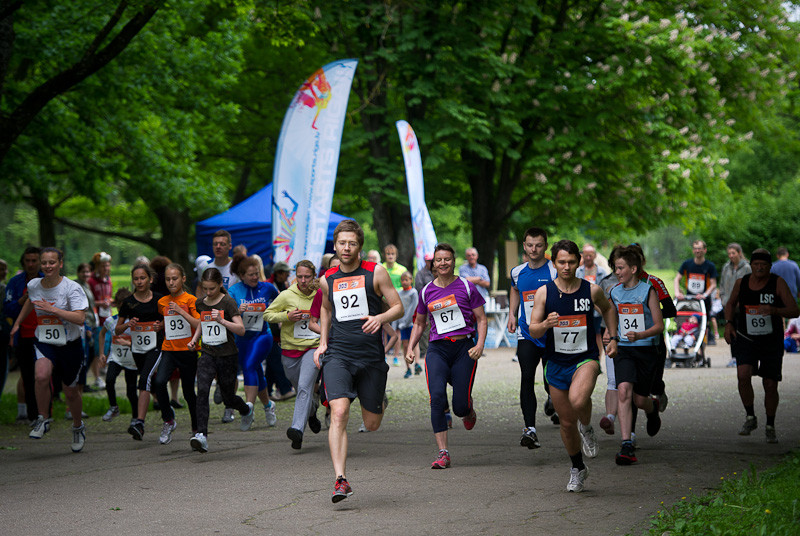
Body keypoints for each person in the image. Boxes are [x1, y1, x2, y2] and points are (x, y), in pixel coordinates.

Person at [313, 220, 403, 503]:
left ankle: (378, 398)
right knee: (338, 413)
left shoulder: (375, 272)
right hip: (338, 354)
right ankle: (340, 479)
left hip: (370, 357)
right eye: (342, 243)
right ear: (335, 246)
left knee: (372, 423)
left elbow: (398, 306)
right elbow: (326, 311)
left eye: (352, 243)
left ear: (360, 246)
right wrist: (323, 343)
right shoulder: (327, 278)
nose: (346, 248)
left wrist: (380, 317)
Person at [529, 240, 618, 493]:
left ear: (579, 261)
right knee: (566, 423)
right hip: (556, 362)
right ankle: (578, 468)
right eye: (561, 262)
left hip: (585, 358)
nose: (566, 267)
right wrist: (545, 324)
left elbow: (608, 309)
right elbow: (533, 328)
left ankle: (587, 427)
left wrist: (612, 336)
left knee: (579, 401)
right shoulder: (544, 293)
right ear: (553, 263)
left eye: (571, 262)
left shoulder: (591, 290)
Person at [407, 242, 487, 469]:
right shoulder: (426, 291)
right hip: (437, 349)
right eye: (439, 260)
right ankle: (443, 452)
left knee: (459, 406)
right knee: (437, 398)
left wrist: (480, 344)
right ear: (434, 263)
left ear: (454, 262)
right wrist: (410, 347)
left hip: (464, 349)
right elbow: (419, 323)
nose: (443, 263)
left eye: (447, 259)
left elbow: (481, 319)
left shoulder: (466, 286)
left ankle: (468, 410)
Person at [9, 247, 88, 452]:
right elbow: (30, 302)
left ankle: (78, 427)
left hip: (70, 344)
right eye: (44, 263)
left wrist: (53, 310)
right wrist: (17, 323)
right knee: (41, 376)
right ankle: (42, 418)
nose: (47, 266)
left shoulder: (72, 288)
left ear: (60, 264)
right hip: (44, 340)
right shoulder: (34, 284)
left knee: (71, 392)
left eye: (52, 262)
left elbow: (80, 318)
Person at [724, 248, 798, 444]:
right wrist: (729, 324)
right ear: (752, 265)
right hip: (746, 338)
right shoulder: (743, 283)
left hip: (770, 340)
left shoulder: (777, 283)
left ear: (769, 267)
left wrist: (774, 310)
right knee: (742, 375)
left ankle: (770, 424)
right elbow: (730, 304)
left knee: (770, 384)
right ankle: (750, 417)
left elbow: (794, 310)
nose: (759, 268)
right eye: (756, 264)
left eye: (763, 265)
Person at [609, 246, 664, 465]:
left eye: (621, 267)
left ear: (633, 269)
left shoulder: (648, 291)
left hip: (647, 349)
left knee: (640, 399)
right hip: (624, 349)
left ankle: (652, 409)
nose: (617, 271)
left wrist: (640, 334)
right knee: (623, 391)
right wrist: (610, 336)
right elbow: (612, 320)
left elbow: (660, 325)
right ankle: (626, 445)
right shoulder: (614, 292)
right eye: (615, 267)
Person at [188, 267, 250, 452]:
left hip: (228, 355)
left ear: (220, 285)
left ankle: (245, 409)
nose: (208, 292)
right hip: (207, 353)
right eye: (205, 288)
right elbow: (202, 323)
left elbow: (241, 329)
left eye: (212, 289)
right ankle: (202, 435)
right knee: (202, 391)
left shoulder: (228, 303)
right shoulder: (201, 304)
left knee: (228, 398)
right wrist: (194, 340)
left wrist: (222, 321)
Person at [265, 260, 323, 449]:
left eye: (307, 276)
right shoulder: (286, 295)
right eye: (300, 277)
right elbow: (267, 314)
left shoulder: (321, 294)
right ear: (295, 276)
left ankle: (297, 429)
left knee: (305, 387)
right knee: (301, 390)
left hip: (312, 348)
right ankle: (312, 411)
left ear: (313, 276)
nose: (304, 280)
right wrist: (286, 317)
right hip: (289, 351)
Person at [508, 227, 557, 449]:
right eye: (529, 245)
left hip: (552, 335)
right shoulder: (517, 272)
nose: (534, 249)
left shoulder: (555, 271)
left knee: (551, 381)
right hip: (526, 334)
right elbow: (515, 289)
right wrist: (512, 313)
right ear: (524, 246)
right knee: (527, 377)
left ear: (545, 246)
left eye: (538, 245)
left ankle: (552, 399)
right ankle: (530, 429)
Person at [115, 264, 169, 441]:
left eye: (142, 278)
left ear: (150, 279)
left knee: (144, 378)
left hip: (156, 345)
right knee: (150, 383)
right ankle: (168, 411)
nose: (139, 282)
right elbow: (117, 329)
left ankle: (139, 422)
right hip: (138, 348)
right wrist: (127, 325)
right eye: (136, 279)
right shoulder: (129, 302)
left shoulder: (160, 300)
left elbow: (169, 321)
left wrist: (161, 325)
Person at [228, 257, 279, 428]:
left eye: (256, 274)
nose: (255, 277)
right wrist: (237, 311)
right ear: (242, 276)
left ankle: (247, 409)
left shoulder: (268, 288)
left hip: (262, 336)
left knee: (249, 366)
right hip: (242, 339)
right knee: (256, 371)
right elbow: (227, 314)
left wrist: (273, 313)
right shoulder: (234, 291)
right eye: (250, 275)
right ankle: (268, 406)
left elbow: (280, 301)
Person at [153, 263, 201, 445]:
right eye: (168, 279)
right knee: (159, 382)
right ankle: (168, 420)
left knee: (189, 392)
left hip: (188, 351)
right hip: (169, 349)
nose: (171, 282)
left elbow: (198, 324)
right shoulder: (162, 302)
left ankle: (197, 429)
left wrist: (181, 311)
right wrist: (161, 326)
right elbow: (168, 321)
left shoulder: (191, 300)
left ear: (183, 279)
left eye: (175, 278)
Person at [3, 247, 43, 423]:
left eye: (34, 260)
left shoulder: (48, 280)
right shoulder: (16, 282)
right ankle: (34, 416)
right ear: (23, 262)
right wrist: (22, 300)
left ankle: (45, 413)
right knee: (28, 377)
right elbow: (7, 309)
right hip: (24, 337)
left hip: (45, 336)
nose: (31, 264)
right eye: (28, 261)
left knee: (43, 376)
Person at [99, 288, 138, 425]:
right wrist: (102, 353)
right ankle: (114, 407)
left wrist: (128, 343)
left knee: (131, 390)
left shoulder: (135, 323)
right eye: (121, 307)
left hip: (131, 360)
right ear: (116, 305)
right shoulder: (111, 321)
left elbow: (142, 340)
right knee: (109, 380)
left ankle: (136, 417)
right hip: (115, 358)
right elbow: (102, 334)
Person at [674, 240, 718, 343]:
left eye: (699, 248)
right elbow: (677, 279)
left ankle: (704, 343)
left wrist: (705, 295)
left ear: (705, 250)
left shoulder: (710, 266)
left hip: (703, 299)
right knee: (689, 321)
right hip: (690, 300)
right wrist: (677, 292)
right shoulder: (687, 264)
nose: (697, 251)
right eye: (695, 248)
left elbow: (713, 284)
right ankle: (685, 338)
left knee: (703, 323)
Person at [719, 244, 751, 366]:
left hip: (741, 306)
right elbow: (722, 284)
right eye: (729, 253)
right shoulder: (726, 267)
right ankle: (734, 357)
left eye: (733, 253)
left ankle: (743, 356)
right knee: (730, 330)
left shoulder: (747, 268)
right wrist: (723, 298)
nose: (731, 256)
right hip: (728, 305)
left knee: (741, 331)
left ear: (739, 253)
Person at [577, 244, 609, 360]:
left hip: (597, 310)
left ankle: (598, 358)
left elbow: (606, 291)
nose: (588, 258)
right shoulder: (578, 271)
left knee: (598, 335)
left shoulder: (602, 272)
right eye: (586, 255)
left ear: (595, 256)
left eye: (590, 255)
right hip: (582, 308)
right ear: (582, 256)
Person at [87, 251, 113, 389]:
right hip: (96, 319)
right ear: (97, 266)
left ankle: (103, 369)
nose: (106, 269)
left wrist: (110, 301)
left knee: (106, 346)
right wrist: (99, 303)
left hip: (107, 317)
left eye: (108, 266)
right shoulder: (91, 281)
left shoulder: (108, 280)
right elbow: (88, 301)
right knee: (97, 349)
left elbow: (109, 296)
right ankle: (97, 377)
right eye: (103, 266)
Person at [196, 230, 240, 296]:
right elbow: (200, 287)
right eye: (215, 244)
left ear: (230, 246)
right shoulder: (204, 265)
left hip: (231, 305)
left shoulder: (237, 266)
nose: (218, 247)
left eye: (222, 244)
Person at [396, 271, 420, 378]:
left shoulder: (414, 293)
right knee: (405, 345)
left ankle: (417, 363)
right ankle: (408, 368)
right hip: (402, 324)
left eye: (407, 280)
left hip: (412, 323)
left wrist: (406, 320)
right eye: (403, 280)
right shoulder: (399, 293)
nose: (405, 282)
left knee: (414, 343)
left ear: (411, 280)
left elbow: (413, 308)